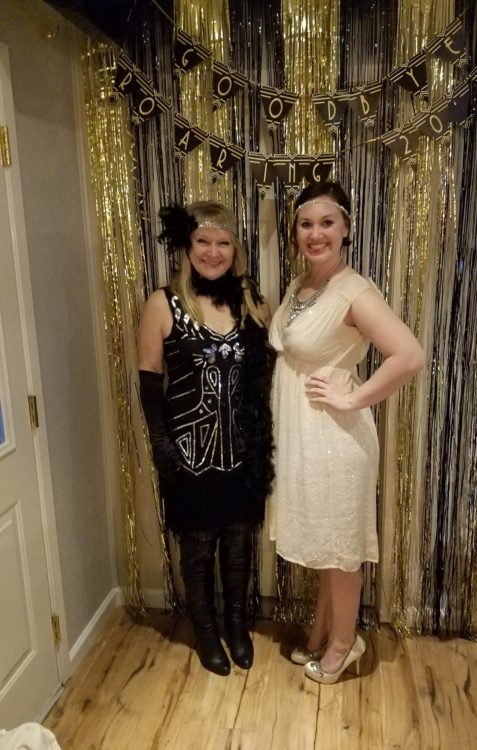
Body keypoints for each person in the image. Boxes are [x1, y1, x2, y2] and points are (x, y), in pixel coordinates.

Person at [269, 181, 425, 684]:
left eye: (327, 223)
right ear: (295, 232)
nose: (315, 234)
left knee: (340, 546)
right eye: (305, 224)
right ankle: (322, 630)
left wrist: (353, 397)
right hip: (303, 437)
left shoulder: (354, 290)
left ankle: (343, 644)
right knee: (325, 542)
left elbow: (409, 355)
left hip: (334, 439)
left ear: (347, 228)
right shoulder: (301, 285)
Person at [137, 201, 275, 676]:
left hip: (242, 452)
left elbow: (264, 376)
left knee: (239, 546)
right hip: (189, 452)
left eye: (222, 242)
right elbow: (150, 383)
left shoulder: (251, 302)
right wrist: (161, 447)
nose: (213, 252)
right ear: (187, 246)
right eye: (203, 241)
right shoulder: (164, 303)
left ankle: (238, 627)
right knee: (197, 551)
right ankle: (206, 630)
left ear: (233, 247)